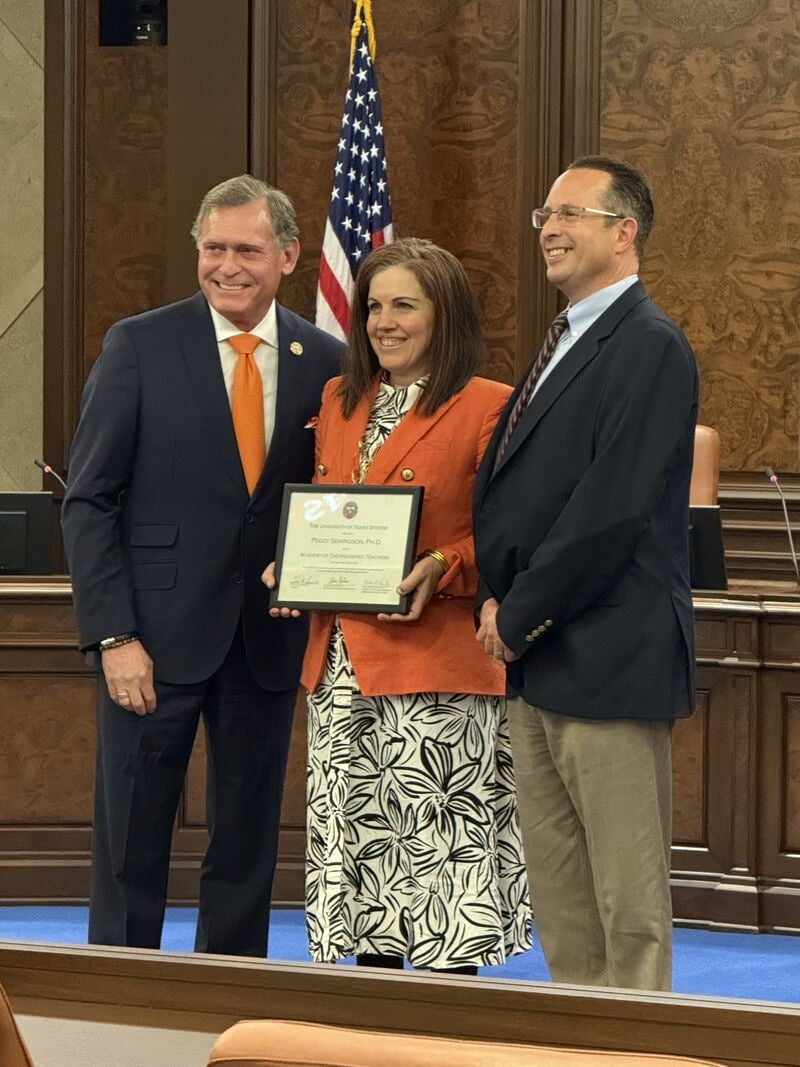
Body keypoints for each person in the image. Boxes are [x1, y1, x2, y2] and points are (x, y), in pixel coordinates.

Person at [61, 175, 342, 956]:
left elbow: (333, 493)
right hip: (151, 642)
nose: (227, 265)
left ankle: (229, 994)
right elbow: (89, 502)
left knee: (247, 843)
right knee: (132, 843)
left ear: (287, 255)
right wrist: (113, 635)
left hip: (267, 639)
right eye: (212, 248)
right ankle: (120, 999)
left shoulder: (326, 358)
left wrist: (308, 562)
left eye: (246, 249)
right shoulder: (140, 344)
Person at [264, 238, 532, 973]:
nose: (383, 321)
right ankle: (372, 1022)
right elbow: (332, 511)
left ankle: (442, 1028)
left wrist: (445, 564)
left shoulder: (491, 405)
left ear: (444, 314)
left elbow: (508, 534)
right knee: (365, 866)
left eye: (403, 304)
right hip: (341, 670)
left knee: (437, 868)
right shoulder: (340, 399)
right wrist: (298, 564)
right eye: (375, 305)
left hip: (435, 670)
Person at [473, 156, 698, 991]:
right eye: (545, 213)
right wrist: (497, 596)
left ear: (624, 230)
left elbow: (611, 510)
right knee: (564, 901)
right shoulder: (563, 337)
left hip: (606, 657)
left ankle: (636, 1047)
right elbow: (516, 488)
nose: (548, 228)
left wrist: (516, 610)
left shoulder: (648, 346)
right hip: (537, 662)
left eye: (569, 213)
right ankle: (579, 1043)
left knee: (626, 905)